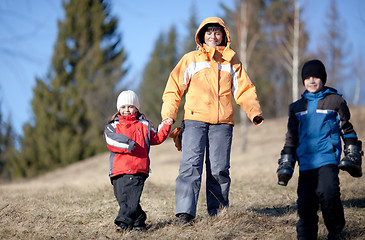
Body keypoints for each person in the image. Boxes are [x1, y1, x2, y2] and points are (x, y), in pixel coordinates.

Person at [161, 17, 264, 224]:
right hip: (194, 122)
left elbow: (244, 89)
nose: (213, 36)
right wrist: (169, 115)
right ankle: (184, 213)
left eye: (217, 32)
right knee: (190, 167)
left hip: (222, 124)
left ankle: (217, 213)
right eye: (209, 32)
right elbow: (173, 88)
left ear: (224, 35)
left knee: (219, 169)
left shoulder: (232, 61)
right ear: (201, 36)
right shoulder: (191, 59)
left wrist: (254, 112)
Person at [276, 59, 363, 240]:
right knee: (306, 203)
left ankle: (336, 231)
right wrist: (287, 160)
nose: (312, 81)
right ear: (303, 81)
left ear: (323, 78)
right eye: (307, 77)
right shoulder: (296, 107)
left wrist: (352, 151)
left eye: (316, 76)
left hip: (327, 159)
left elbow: (346, 129)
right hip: (306, 163)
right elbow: (292, 137)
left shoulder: (335, 101)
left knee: (329, 194)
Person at [104, 90, 172, 232]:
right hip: (118, 169)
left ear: (136, 108)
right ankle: (139, 221)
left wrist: (166, 125)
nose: (126, 110)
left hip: (138, 168)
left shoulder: (144, 125)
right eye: (123, 107)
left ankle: (122, 224)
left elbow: (157, 138)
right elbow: (111, 141)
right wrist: (128, 144)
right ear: (118, 109)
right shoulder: (113, 126)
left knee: (130, 199)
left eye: (130, 106)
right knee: (123, 199)